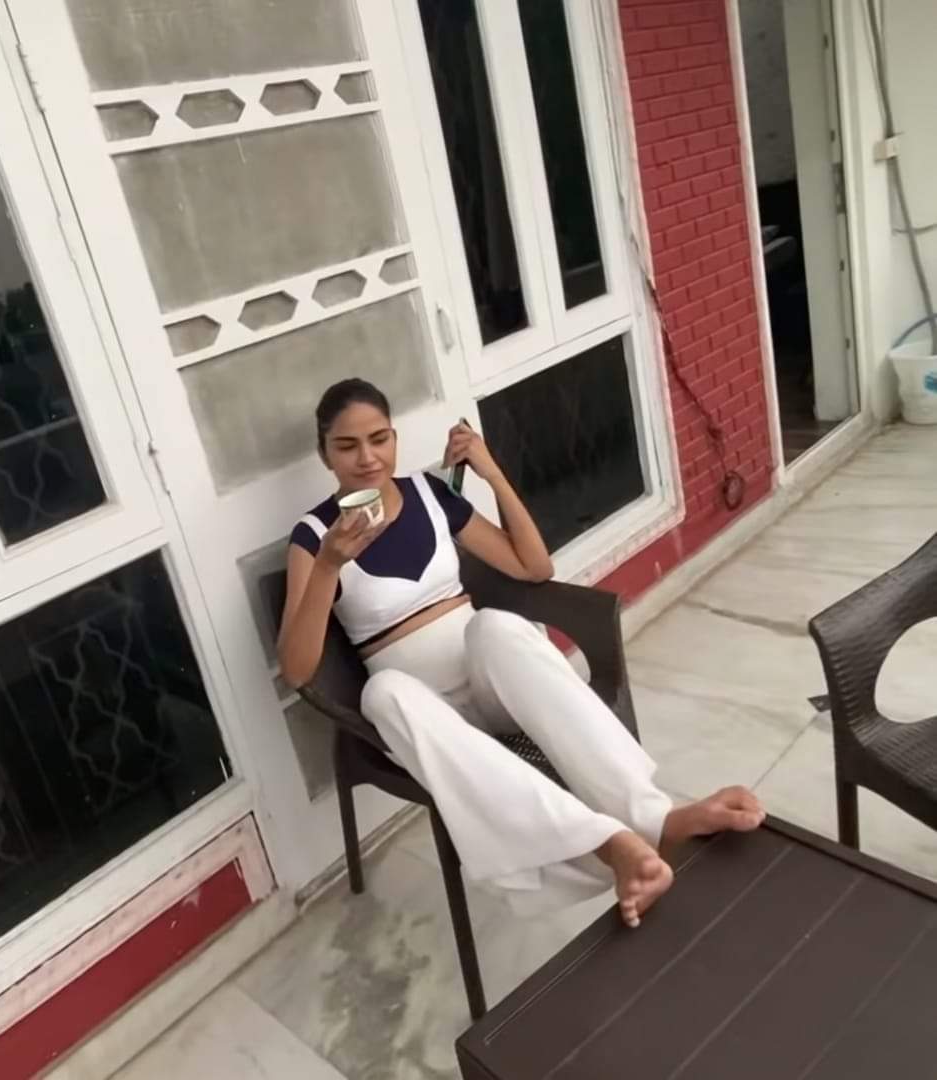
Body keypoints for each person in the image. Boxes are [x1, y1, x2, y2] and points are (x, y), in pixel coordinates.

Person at [278, 379, 765, 927]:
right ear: (325, 454)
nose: (368, 458)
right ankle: (610, 845)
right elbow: (297, 669)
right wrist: (329, 564)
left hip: (491, 689)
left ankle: (657, 818)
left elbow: (534, 567)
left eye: (379, 439)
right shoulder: (314, 536)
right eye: (347, 446)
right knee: (381, 692)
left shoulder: (428, 494)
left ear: (394, 438)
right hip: (428, 718)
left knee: (496, 626)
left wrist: (491, 472)